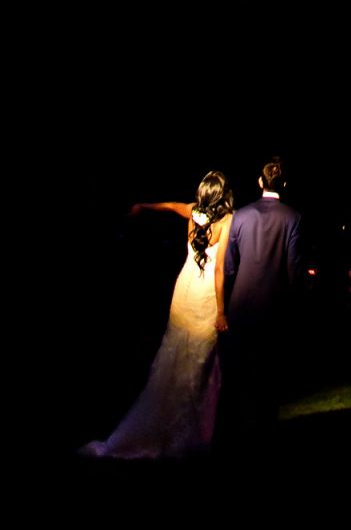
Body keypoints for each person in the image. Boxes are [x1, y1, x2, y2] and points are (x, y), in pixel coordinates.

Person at [82, 171, 236, 458]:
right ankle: (190, 430)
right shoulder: (227, 221)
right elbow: (218, 272)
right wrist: (221, 311)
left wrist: (144, 206)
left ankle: (168, 420)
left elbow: (169, 204)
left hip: (183, 293)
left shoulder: (192, 211)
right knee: (198, 365)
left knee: (174, 359)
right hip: (203, 300)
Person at [220, 156, 306, 447]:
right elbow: (294, 269)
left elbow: (229, 267)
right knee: (269, 379)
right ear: (283, 183)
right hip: (274, 309)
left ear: (260, 182)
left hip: (241, 306)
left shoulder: (240, 216)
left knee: (235, 377)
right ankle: (265, 438)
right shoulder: (293, 217)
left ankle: (231, 436)